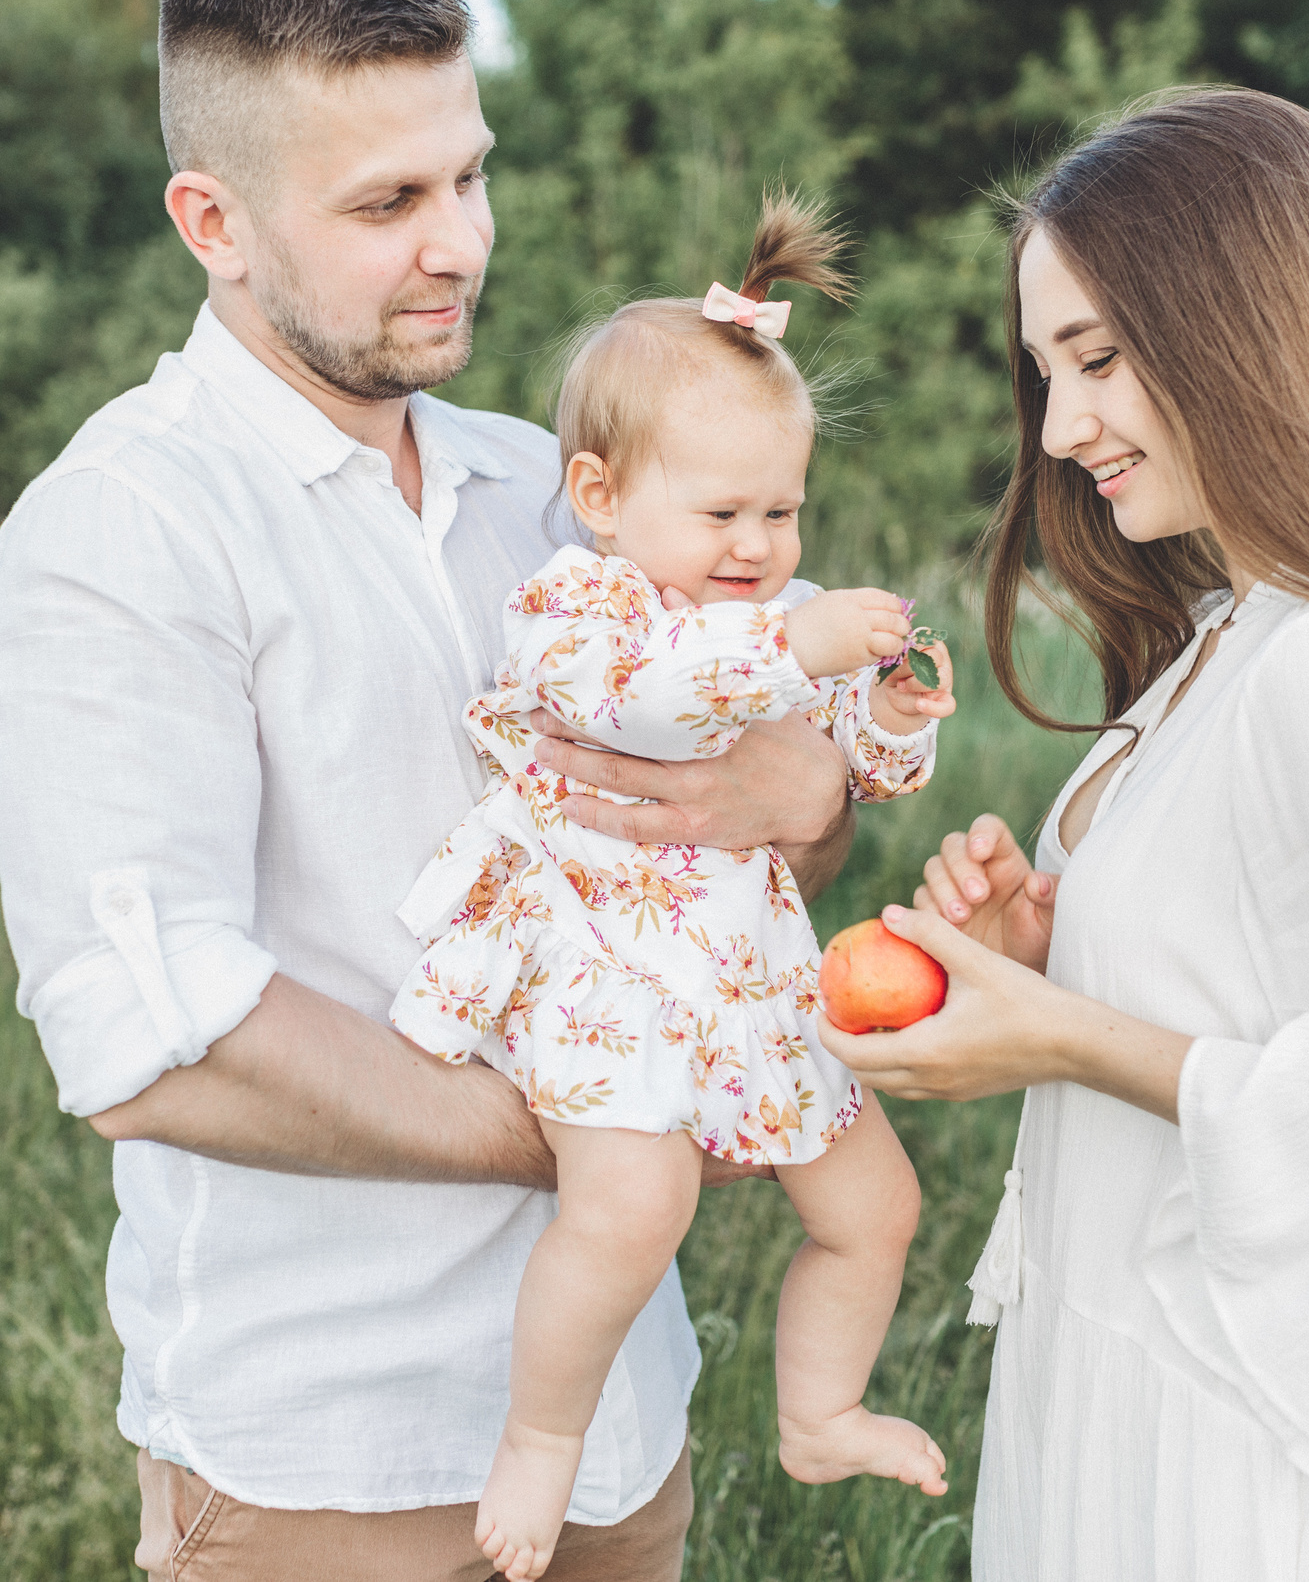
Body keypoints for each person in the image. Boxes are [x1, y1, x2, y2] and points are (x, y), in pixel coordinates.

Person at [0, 0, 856, 1582]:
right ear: (209, 220)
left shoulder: (554, 483)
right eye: (387, 204)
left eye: (469, 176)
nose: (461, 244)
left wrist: (803, 798)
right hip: (328, 1460)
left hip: (620, 1425)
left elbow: (742, 835)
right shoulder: (120, 533)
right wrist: (602, 1120)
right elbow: (156, 1043)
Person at [817, 87, 1309, 1581]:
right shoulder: (1223, 636)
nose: (1061, 431)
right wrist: (1059, 948)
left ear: (1250, 331)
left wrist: (1063, 1037)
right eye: (1045, 371)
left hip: (1266, 1498)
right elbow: (1257, 966)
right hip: (1153, 1413)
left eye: (1099, 361)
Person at [386, 194, 956, 1580]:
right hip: (607, 967)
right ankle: (543, 1435)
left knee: (877, 1207)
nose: (758, 544)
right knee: (635, 1206)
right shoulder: (581, 613)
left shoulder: (770, 615)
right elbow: (652, 706)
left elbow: (846, 779)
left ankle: (820, 1413)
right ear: (599, 497)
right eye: (722, 512)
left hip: (744, 978)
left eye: (783, 509)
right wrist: (799, 643)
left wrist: (891, 711)